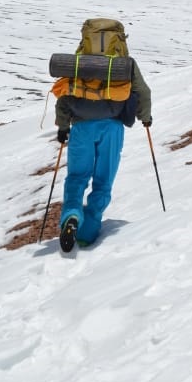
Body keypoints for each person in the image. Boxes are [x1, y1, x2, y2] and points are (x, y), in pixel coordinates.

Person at [55, 29, 152, 252]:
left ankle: (71, 215)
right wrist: (145, 118)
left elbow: (65, 93)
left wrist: (62, 127)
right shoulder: (124, 63)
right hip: (112, 127)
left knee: (77, 177)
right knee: (103, 180)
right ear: (119, 39)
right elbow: (143, 91)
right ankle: (87, 233)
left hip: (81, 127)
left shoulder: (79, 61)